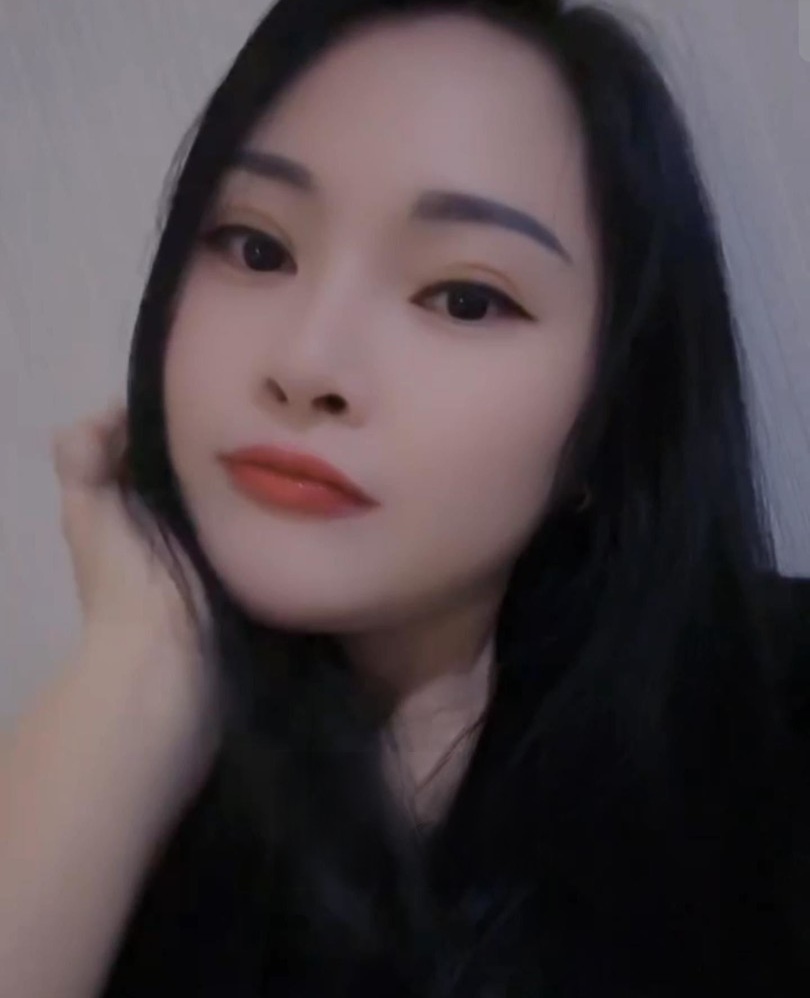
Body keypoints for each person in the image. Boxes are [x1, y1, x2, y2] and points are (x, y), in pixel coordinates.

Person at [2, 0, 808, 995]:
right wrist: (139, 661)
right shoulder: (105, 801)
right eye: (255, 247)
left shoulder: (777, 724)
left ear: (612, 409)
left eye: (464, 298)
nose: (307, 363)